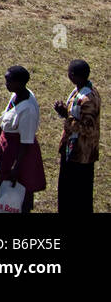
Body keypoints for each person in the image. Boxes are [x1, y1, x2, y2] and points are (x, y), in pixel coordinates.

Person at [0, 65, 46, 213]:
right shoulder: (15, 95)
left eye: (9, 81)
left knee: (19, 194)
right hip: (9, 151)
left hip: (19, 155)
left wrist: (15, 168)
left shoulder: (28, 109)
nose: (6, 84)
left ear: (19, 82)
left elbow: (25, 142)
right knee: (4, 191)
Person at [55, 59, 100, 213]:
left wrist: (66, 115)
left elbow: (88, 128)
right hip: (72, 151)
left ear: (72, 75)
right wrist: (66, 112)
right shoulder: (79, 91)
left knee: (79, 197)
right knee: (67, 194)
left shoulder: (89, 98)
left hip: (81, 155)